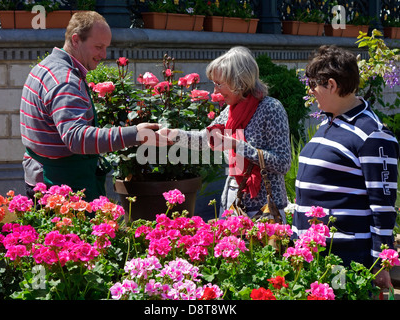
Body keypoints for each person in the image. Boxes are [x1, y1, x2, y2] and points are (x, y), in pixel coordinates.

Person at [20, 11, 161, 201]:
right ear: (76, 40)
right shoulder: (65, 80)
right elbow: (76, 138)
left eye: (105, 47)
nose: (104, 54)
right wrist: (135, 133)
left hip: (42, 180)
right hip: (61, 189)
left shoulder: (44, 67)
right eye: (98, 47)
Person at [292, 45, 399, 290]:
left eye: (313, 86)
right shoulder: (331, 123)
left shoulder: (373, 135)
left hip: (345, 260)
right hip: (317, 255)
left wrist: (380, 263)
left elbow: (382, 206)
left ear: (331, 85)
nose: (311, 93)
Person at [159, 46, 292, 221]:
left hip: (265, 211)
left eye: (219, 84)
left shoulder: (271, 108)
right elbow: (204, 140)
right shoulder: (231, 110)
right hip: (232, 205)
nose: (215, 92)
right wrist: (174, 135)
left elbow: (283, 163)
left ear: (240, 82)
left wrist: (238, 146)